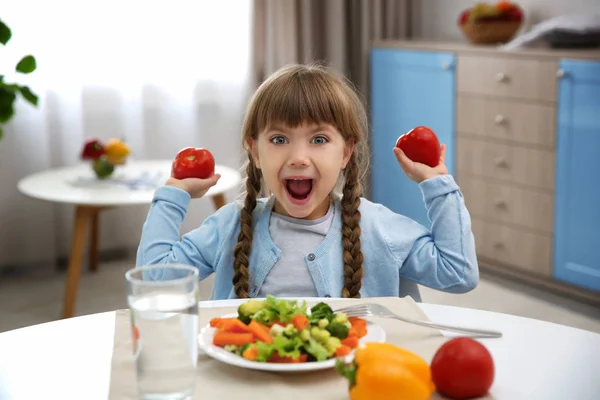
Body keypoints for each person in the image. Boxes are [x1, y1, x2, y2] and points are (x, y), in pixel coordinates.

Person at [136, 63, 479, 300]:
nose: (299, 157)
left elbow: (457, 275)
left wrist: (439, 186)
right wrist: (173, 195)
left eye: (318, 140)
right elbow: (153, 280)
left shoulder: (378, 228)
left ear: (346, 153)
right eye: (279, 140)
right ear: (254, 152)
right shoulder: (230, 226)